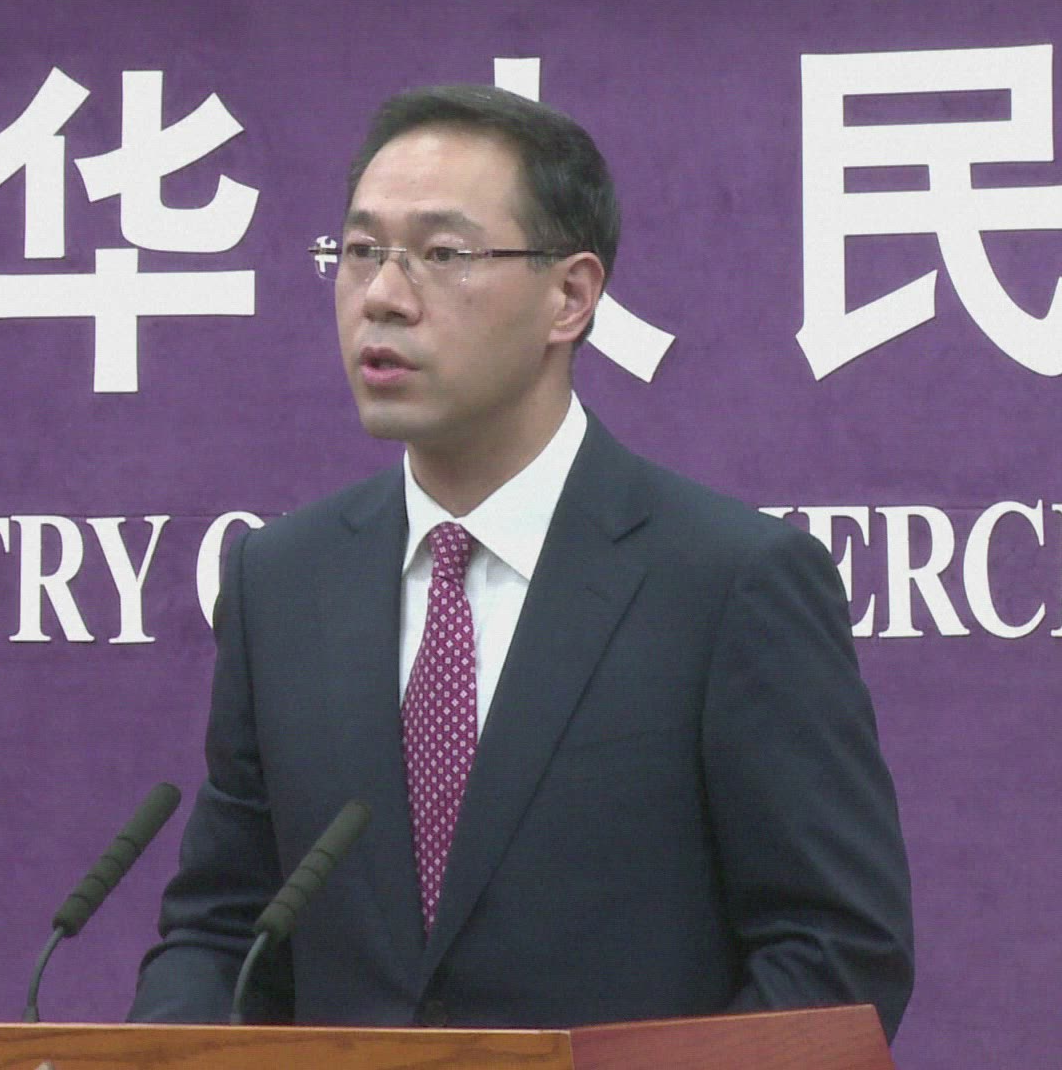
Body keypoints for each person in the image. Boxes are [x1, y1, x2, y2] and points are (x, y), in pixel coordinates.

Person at [128, 84, 913, 1038]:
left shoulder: (729, 582)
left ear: (569, 297)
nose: (382, 296)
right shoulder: (281, 582)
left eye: (443, 254)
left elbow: (834, 956)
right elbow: (222, 931)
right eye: (362, 251)